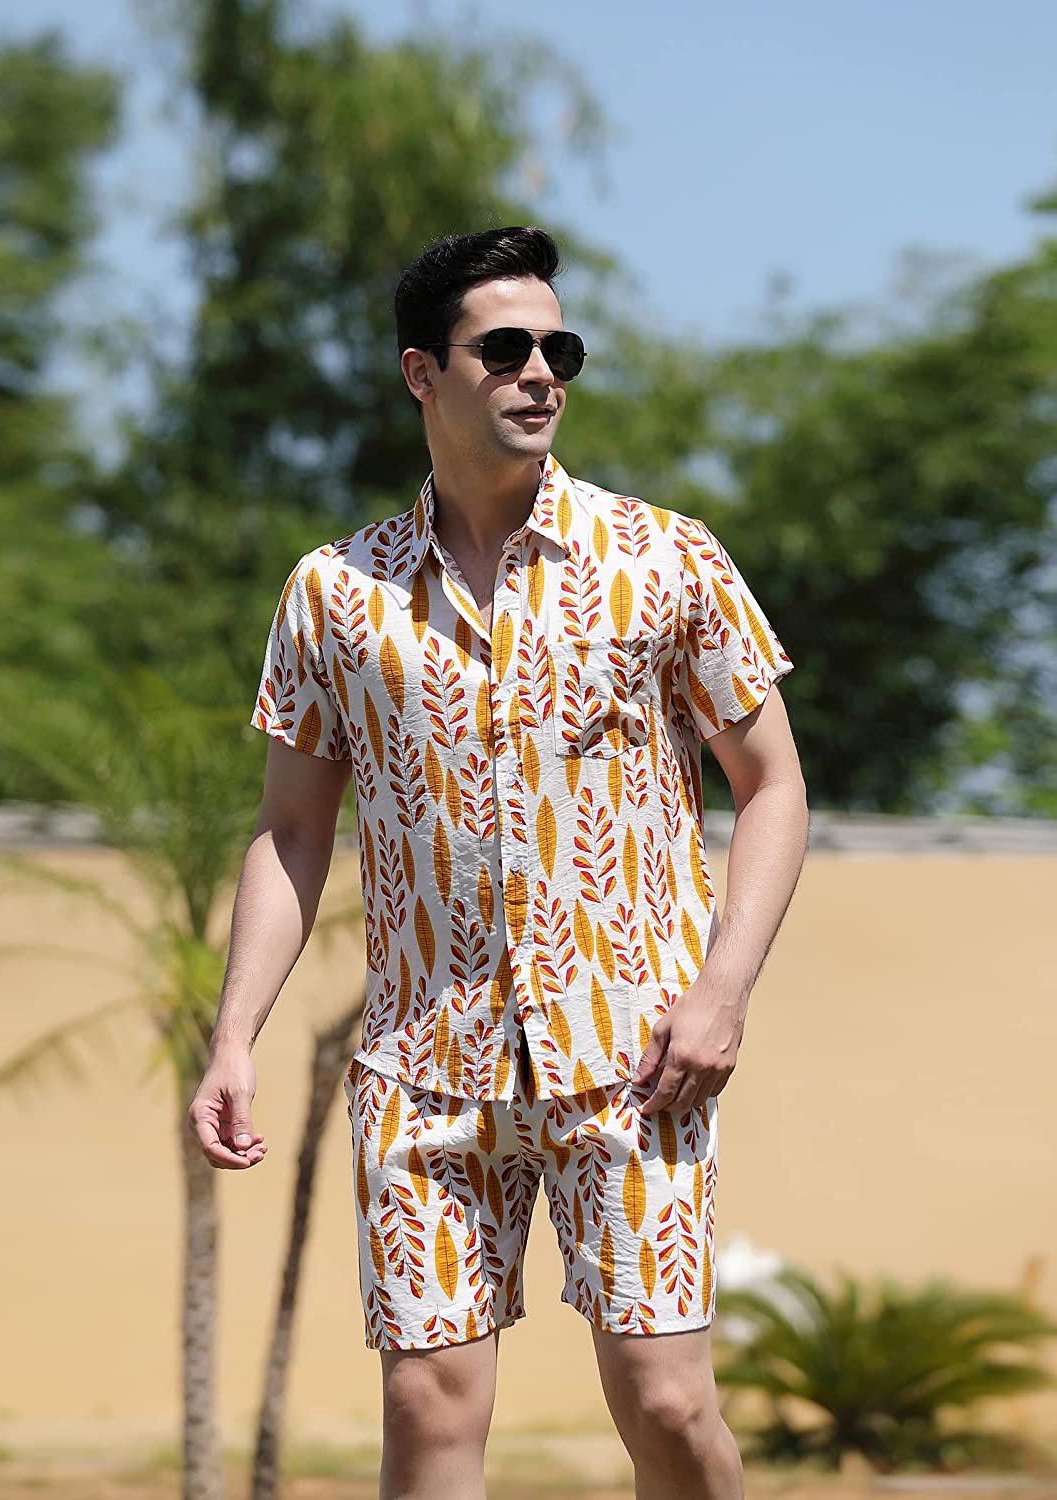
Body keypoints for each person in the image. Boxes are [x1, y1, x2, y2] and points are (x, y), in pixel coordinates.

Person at [189, 225, 809, 1500]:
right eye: (507, 348)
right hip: (421, 1067)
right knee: (426, 1410)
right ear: (423, 373)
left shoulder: (666, 558)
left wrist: (723, 991)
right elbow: (292, 830)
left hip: (636, 1059)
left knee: (668, 1404)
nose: (540, 373)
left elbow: (774, 787)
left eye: (559, 350)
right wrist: (235, 1035)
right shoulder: (335, 592)